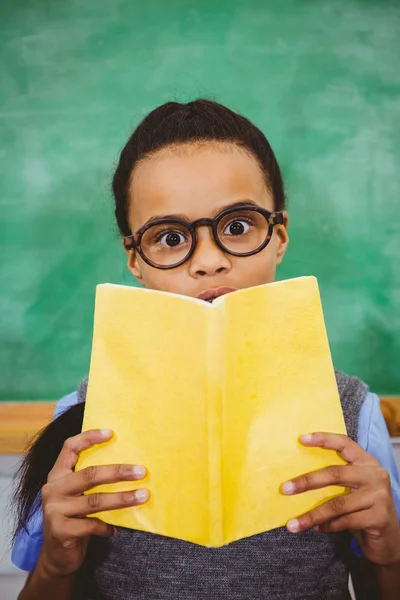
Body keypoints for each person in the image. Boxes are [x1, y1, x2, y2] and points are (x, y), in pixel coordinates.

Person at [11, 99, 400, 599]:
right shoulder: (84, 421)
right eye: (170, 237)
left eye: (237, 226)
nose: (210, 262)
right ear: (135, 260)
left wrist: (386, 552)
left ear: (278, 237)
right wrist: (56, 567)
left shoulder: (353, 414)